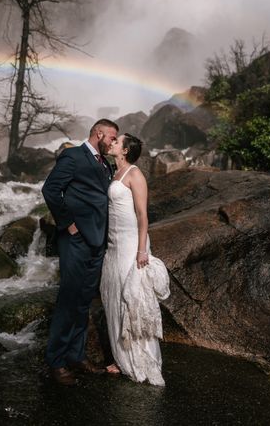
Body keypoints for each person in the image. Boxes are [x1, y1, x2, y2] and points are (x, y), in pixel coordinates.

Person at [42, 118, 119, 386]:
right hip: (75, 240)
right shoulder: (73, 155)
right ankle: (57, 361)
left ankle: (76, 356)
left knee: (84, 300)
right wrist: (67, 224)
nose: (113, 143)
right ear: (99, 133)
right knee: (69, 299)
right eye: (111, 138)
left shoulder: (106, 164)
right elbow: (51, 189)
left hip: (97, 242)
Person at [100, 133, 170, 386]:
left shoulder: (135, 174)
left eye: (117, 141)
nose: (112, 143)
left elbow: (143, 215)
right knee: (113, 296)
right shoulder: (114, 172)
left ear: (126, 150)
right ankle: (121, 357)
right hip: (114, 244)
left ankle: (139, 359)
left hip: (131, 245)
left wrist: (142, 250)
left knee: (131, 301)